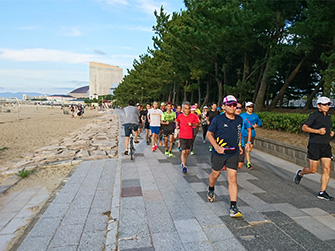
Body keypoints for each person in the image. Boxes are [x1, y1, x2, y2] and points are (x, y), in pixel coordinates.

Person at [207, 95, 243, 218]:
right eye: (230, 105)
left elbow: (237, 134)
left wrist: (240, 145)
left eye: (234, 105)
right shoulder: (218, 119)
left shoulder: (239, 120)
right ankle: (211, 188)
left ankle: (233, 207)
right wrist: (216, 147)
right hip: (219, 153)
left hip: (233, 153)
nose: (233, 107)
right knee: (215, 175)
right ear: (223, 106)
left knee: (233, 178)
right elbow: (209, 134)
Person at [294, 96, 335, 200]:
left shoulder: (328, 117)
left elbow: (324, 129)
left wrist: (330, 133)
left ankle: (322, 192)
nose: (327, 106)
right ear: (318, 106)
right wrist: (318, 131)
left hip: (325, 146)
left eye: (328, 104)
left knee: (327, 169)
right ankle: (301, 173)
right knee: (313, 170)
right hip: (315, 145)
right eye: (324, 104)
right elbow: (304, 127)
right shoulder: (314, 115)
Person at [175, 102, 199, 174]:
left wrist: (192, 124)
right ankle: (184, 165)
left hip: (190, 136)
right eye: (185, 109)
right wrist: (177, 126)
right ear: (182, 109)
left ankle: (184, 160)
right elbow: (177, 120)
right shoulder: (180, 116)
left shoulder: (193, 116)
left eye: (188, 109)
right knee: (183, 151)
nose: (187, 110)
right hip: (182, 135)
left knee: (187, 151)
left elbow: (197, 123)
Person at [240, 101, 262, 169]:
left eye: (252, 107)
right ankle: (248, 163)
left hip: (252, 134)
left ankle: (243, 158)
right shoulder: (242, 115)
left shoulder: (255, 115)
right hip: (244, 134)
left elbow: (260, 121)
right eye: (249, 107)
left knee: (249, 149)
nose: (251, 108)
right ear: (246, 107)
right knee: (247, 149)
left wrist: (257, 125)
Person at [235, 103, 252, 170]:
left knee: (240, 165)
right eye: (237, 108)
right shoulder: (228, 117)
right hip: (230, 144)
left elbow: (249, 130)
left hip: (241, 143)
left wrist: (248, 142)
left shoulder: (243, 118)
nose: (238, 110)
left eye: (240, 108)